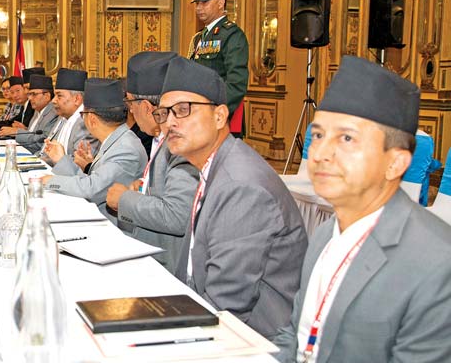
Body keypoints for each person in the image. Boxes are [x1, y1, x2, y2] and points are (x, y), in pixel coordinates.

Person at [271, 56, 451, 363]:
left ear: (395, 162)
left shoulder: (437, 263)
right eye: (318, 135)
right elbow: (295, 338)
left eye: (347, 138)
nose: (321, 153)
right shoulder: (326, 233)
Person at [162, 56, 305, 338]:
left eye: (182, 110)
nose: (169, 122)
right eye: (163, 113)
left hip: (258, 340)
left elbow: (226, 304)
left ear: (219, 116)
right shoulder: (217, 165)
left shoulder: (240, 185)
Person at [105, 52, 199, 273]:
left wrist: (124, 199)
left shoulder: (179, 144)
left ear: (147, 107)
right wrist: (142, 187)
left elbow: (176, 216)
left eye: (130, 103)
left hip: (167, 267)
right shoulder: (160, 137)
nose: (130, 111)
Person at [42, 78, 147, 219]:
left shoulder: (126, 148)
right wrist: (61, 160)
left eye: (82, 115)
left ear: (91, 119)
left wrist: (49, 181)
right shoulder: (116, 139)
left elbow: (92, 189)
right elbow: (94, 183)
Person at [187, 0, 249, 137]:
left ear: (221, 3)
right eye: (197, 3)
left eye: (205, 3)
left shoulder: (232, 35)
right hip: (200, 116)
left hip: (221, 120)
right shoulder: (199, 37)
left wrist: (215, 114)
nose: (199, 8)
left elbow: (236, 83)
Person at [40, 67, 98, 166]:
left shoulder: (86, 123)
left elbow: (79, 162)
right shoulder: (62, 117)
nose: (53, 100)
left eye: (59, 96)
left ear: (77, 99)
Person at [1, 74, 60, 153]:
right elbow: (32, 134)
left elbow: (42, 142)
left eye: (34, 94)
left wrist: (17, 132)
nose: (30, 98)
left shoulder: (54, 113)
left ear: (47, 96)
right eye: (29, 94)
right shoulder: (37, 110)